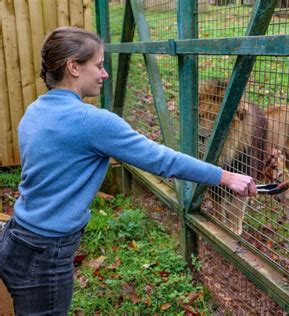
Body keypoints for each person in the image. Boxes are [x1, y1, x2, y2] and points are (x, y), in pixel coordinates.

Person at [0, 26, 256, 315]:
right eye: (98, 65)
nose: (104, 73)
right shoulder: (92, 122)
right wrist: (225, 176)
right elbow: (162, 159)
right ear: (73, 67)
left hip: (15, 237)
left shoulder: (35, 110)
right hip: (45, 253)